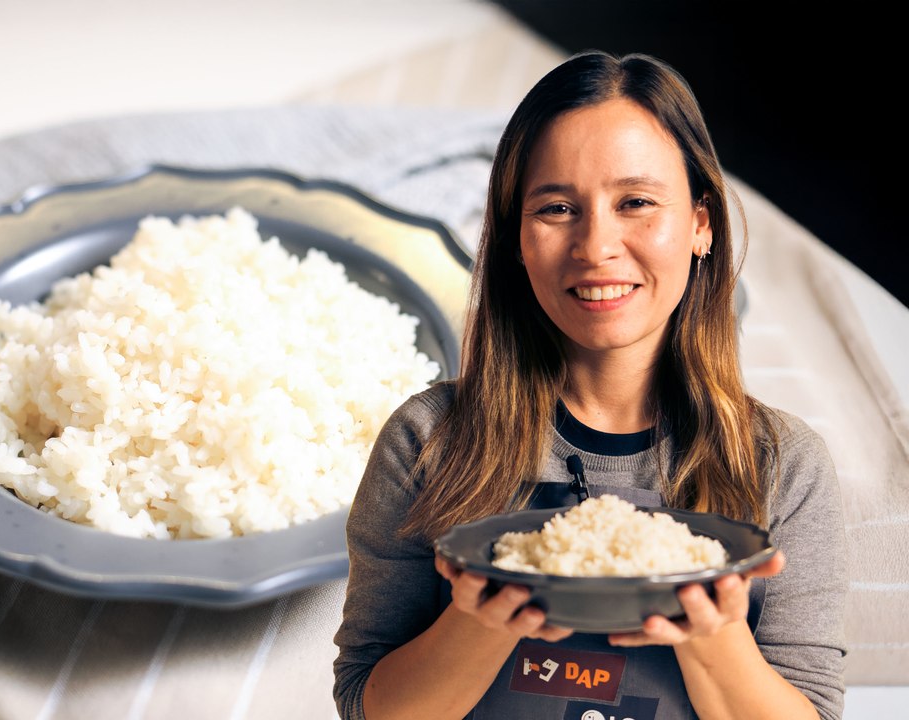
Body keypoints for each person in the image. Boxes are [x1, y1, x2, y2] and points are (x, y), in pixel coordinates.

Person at [332, 50, 847, 720]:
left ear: (701, 223)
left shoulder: (784, 464)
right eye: (555, 208)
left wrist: (714, 637)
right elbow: (364, 706)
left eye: (635, 202)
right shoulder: (427, 439)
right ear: (516, 237)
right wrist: (484, 620)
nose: (596, 245)